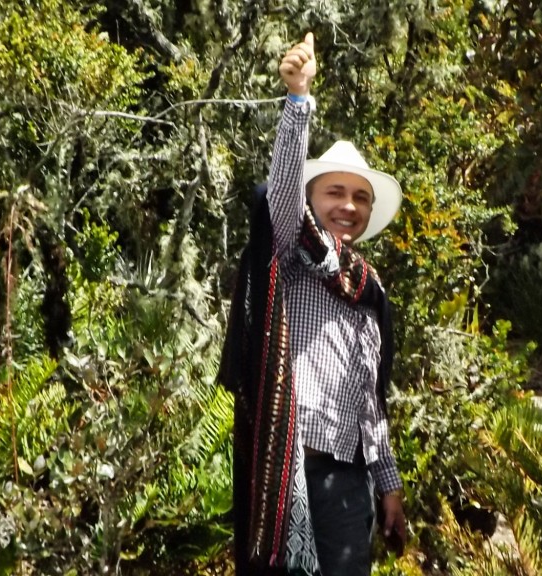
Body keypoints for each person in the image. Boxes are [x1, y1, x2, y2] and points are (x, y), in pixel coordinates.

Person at [220, 31, 407, 575]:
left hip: (349, 485)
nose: (348, 205)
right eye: (334, 193)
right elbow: (278, 197)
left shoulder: (369, 291)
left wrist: (388, 486)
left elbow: (372, 407)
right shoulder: (292, 257)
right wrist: (298, 100)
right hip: (287, 470)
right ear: (311, 201)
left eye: (360, 197)